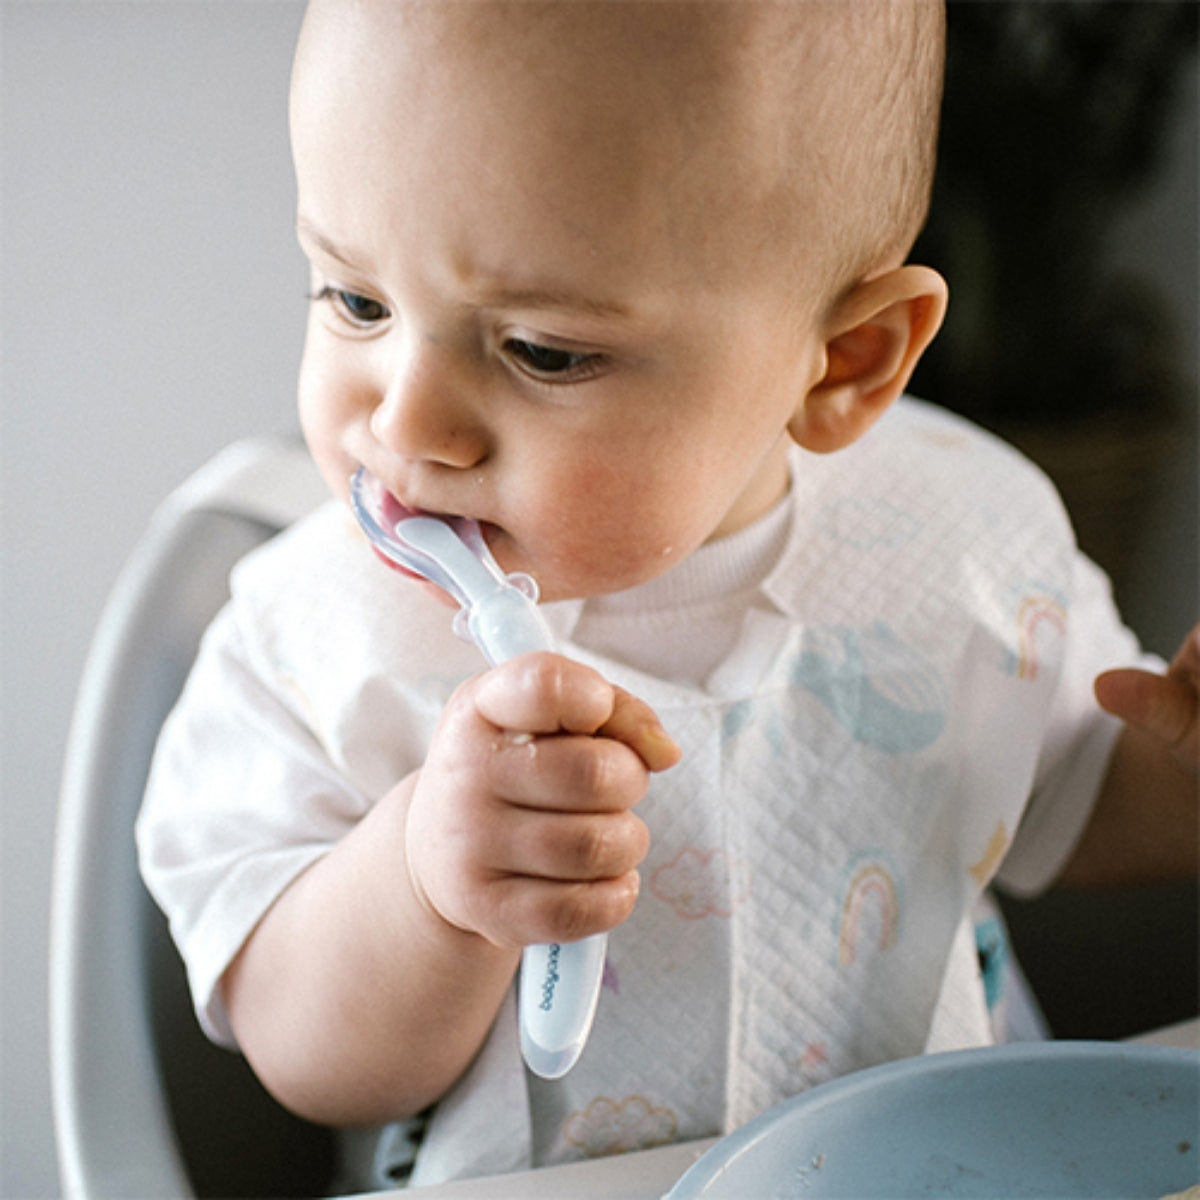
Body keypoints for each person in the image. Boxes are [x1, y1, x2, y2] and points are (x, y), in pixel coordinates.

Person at [137, 0, 1199, 1189]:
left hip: (939, 1164)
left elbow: (1064, 805)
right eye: (356, 301)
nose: (404, 423)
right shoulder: (312, 639)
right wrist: (429, 884)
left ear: (845, 363)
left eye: (542, 350)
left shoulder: (957, 539)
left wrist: (1180, 773)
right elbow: (304, 1059)